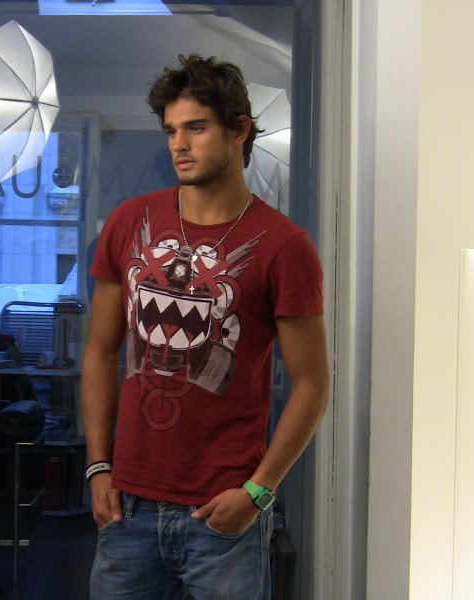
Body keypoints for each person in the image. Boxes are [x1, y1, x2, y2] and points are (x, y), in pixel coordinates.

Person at [83, 54, 329, 600]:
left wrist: (259, 492)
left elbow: (312, 383)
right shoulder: (129, 221)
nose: (179, 144)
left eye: (196, 128)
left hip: (223, 513)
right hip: (127, 506)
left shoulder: (284, 245)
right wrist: (97, 466)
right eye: (171, 130)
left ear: (239, 131)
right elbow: (100, 351)